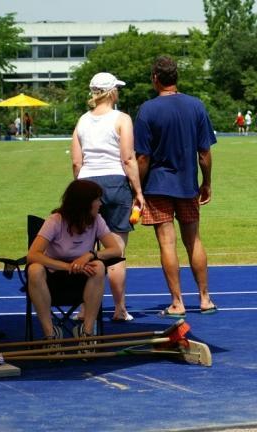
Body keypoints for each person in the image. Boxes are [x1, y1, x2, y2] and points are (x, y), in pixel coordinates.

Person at [134, 55, 217, 316]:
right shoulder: (196, 106)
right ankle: (205, 299)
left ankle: (177, 302)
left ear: (155, 78)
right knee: (193, 240)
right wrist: (207, 183)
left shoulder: (147, 109)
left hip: (157, 186)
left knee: (167, 244)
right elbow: (204, 153)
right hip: (187, 185)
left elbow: (143, 157)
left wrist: (137, 187)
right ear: (176, 78)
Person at [71, 72, 145, 322]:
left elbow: (76, 162)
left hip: (86, 183)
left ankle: (83, 309)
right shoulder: (122, 119)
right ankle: (119, 308)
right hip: (115, 184)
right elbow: (127, 159)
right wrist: (138, 191)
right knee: (115, 251)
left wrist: (78, 190)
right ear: (111, 92)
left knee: (84, 249)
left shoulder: (81, 121)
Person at [27, 180, 123, 343]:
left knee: (99, 266)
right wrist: (68, 266)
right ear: (84, 203)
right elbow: (33, 255)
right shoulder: (55, 220)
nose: (101, 203)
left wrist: (89, 255)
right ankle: (51, 335)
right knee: (34, 269)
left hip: (84, 277)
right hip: (53, 277)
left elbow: (115, 250)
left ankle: (86, 332)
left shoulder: (97, 220)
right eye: (97, 199)